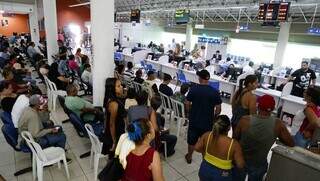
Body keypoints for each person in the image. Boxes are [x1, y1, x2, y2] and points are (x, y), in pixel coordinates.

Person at [233, 95, 294, 181]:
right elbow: (291, 143)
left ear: (258, 106)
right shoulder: (278, 124)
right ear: (273, 109)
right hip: (259, 163)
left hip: (240, 159)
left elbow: (235, 139)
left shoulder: (245, 120)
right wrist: (275, 135)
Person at [185, 69, 222, 164]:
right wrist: (214, 118)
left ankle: (189, 157)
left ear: (200, 78)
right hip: (207, 122)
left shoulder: (193, 89)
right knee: (206, 142)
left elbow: (187, 103)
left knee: (192, 141)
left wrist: (189, 113)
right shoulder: (215, 92)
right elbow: (218, 109)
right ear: (208, 79)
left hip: (194, 120)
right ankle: (204, 160)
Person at [195, 115, 244, 181]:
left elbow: (197, 148)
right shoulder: (233, 144)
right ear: (229, 128)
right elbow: (240, 164)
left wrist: (206, 153)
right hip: (222, 174)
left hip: (205, 169)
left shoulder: (207, 135)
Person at [102, 78, 126, 155]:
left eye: (121, 85)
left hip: (117, 128)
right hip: (117, 131)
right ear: (112, 89)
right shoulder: (114, 104)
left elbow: (106, 117)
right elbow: (112, 124)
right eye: (118, 86)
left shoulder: (110, 98)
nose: (121, 87)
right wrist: (114, 141)